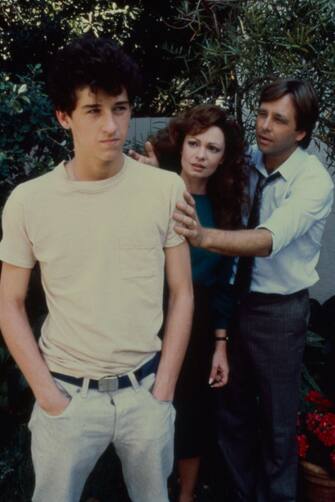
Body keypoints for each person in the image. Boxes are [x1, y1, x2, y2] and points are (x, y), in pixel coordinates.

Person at [0, 36, 193, 502]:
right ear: (64, 116)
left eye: (121, 108)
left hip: (145, 393)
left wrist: (163, 389)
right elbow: (9, 303)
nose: (112, 125)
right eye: (94, 110)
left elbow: (182, 293)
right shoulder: (29, 201)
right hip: (67, 397)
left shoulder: (165, 189)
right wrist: (49, 397)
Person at [173, 79, 334, 501]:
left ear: (300, 132)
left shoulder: (313, 181)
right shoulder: (245, 162)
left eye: (278, 119)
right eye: (261, 114)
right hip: (229, 304)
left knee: (279, 423)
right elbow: (192, 155)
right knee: (231, 412)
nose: (264, 125)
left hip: (278, 311)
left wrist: (202, 238)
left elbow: (266, 239)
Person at [130, 104, 248, 502]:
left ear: (224, 157)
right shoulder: (152, 187)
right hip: (146, 312)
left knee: (191, 411)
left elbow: (224, 286)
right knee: (141, 409)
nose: (200, 155)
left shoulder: (227, 210)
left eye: (212, 149)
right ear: (180, 145)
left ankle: (186, 495)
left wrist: (220, 343)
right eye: (194, 144)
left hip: (196, 320)